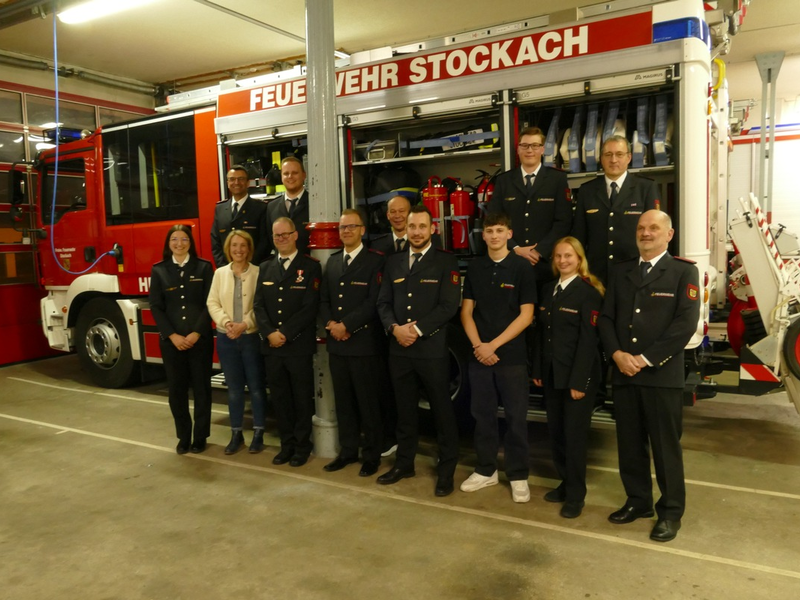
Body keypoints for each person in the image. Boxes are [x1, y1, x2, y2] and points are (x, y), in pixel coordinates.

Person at [598, 210, 700, 542]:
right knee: (629, 445)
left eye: (653, 228)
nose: (646, 233)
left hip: (660, 374)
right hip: (624, 372)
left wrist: (643, 359)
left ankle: (670, 513)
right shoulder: (621, 271)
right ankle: (638, 501)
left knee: (665, 448)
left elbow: (684, 326)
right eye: (641, 228)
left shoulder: (683, 272)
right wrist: (616, 354)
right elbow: (607, 319)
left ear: (668, 234)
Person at [376, 205, 461, 496]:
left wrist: (416, 330)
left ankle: (446, 470)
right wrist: (394, 329)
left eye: (422, 227)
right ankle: (404, 463)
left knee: (441, 411)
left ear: (432, 229)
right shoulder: (394, 262)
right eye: (412, 227)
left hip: (431, 349)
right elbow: (383, 303)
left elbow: (449, 306)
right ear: (406, 229)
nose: (416, 232)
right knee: (404, 410)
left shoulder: (446, 262)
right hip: (399, 349)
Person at [459, 212, 536, 503]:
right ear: (483, 235)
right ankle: (485, 470)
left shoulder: (522, 268)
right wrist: (480, 345)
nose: (493, 235)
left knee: (516, 418)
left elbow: (526, 315)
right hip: (479, 356)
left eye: (499, 230)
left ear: (509, 234)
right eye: (489, 230)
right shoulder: (476, 268)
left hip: (512, 357)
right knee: (482, 416)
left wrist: (494, 345)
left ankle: (518, 475)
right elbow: (466, 312)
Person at [532, 236, 604, 518]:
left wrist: (579, 383)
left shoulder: (589, 292)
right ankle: (565, 482)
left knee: (574, 437)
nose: (563, 261)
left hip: (577, 377)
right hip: (552, 374)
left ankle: (576, 495)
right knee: (557, 433)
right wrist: (537, 370)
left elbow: (589, 343)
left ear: (579, 259)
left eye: (569, 256)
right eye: (558, 256)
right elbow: (540, 334)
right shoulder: (548, 289)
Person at [320, 209, 387, 477]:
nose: (346, 231)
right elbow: (323, 300)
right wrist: (332, 326)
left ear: (362, 230)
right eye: (342, 227)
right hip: (338, 344)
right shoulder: (333, 262)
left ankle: (372, 455)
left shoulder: (375, 261)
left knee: (368, 403)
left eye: (351, 227)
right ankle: (348, 451)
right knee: (344, 402)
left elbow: (374, 301)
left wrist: (347, 325)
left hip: (364, 344)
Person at [253, 216, 321, 467]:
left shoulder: (310, 266)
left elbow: (309, 306)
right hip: (272, 347)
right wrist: (270, 333)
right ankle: (286, 445)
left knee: (302, 399)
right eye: (276, 236)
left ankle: (302, 446)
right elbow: (258, 305)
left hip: (298, 345)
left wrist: (286, 333)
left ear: (295, 236)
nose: (281, 239)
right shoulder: (266, 267)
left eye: (285, 234)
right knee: (280, 399)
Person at [149, 224, 214, 454]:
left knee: (202, 389)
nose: (179, 243)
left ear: (191, 242)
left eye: (184, 239)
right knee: (176, 391)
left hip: (200, 340)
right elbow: (156, 306)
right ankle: (183, 436)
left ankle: (200, 437)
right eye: (174, 239)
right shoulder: (159, 270)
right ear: (168, 244)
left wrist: (197, 333)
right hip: (172, 343)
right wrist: (172, 335)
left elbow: (210, 303)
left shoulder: (204, 268)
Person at [206, 230, 267, 455]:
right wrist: (227, 323)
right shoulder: (219, 273)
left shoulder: (259, 273)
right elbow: (212, 302)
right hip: (226, 338)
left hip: (251, 338)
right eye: (234, 246)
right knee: (234, 390)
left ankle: (259, 432)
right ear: (228, 249)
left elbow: (261, 305)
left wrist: (245, 324)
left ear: (249, 249)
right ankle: (236, 433)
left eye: (243, 246)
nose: (238, 250)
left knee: (257, 388)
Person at [572, 135, 660, 286]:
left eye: (619, 154)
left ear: (629, 157)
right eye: (608, 155)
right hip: (596, 275)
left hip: (634, 274)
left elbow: (655, 234)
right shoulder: (587, 191)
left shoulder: (645, 188)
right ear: (601, 158)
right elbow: (579, 235)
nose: (613, 160)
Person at [488, 126, 572, 280]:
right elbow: (494, 220)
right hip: (511, 261)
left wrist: (539, 251)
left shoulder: (557, 180)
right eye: (524, 146)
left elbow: (563, 221)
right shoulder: (504, 181)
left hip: (546, 263)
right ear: (518, 149)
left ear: (542, 149)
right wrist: (515, 248)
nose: (529, 150)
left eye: (535, 145)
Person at [211, 165, 270, 268]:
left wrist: (248, 266)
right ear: (227, 183)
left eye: (241, 179)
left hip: (253, 269)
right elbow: (215, 241)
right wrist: (224, 267)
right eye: (232, 179)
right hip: (227, 270)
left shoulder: (260, 208)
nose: (236, 182)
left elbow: (264, 242)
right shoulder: (220, 208)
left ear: (248, 183)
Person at [266, 156, 310, 255]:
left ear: (304, 175)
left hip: (309, 266)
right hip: (281, 267)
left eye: (295, 173)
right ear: (281, 177)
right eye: (286, 173)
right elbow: (270, 240)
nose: (290, 176)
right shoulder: (271, 207)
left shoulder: (315, 204)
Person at [370, 195, 441, 255]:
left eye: (401, 211)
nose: (397, 216)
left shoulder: (431, 240)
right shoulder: (377, 244)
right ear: (388, 215)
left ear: (410, 213)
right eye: (393, 212)